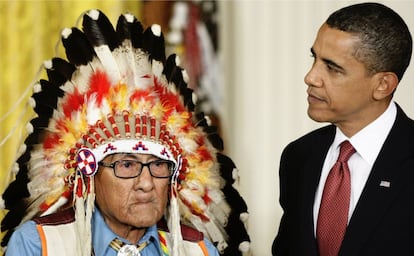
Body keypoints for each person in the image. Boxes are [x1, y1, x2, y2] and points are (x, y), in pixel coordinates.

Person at [0, 9, 251, 256]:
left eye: (159, 165)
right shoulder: (40, 245)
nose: (146, 183)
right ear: (90, 177)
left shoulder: (197, 251)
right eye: (127, 165)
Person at [272, 2, 414, 256]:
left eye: (332, 68)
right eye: (314, 58)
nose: (311, 77)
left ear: (383, 85)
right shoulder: (298, 156)